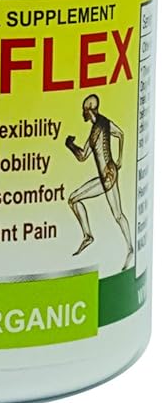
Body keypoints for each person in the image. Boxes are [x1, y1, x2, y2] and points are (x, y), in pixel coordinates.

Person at [66, 94, 134, 272]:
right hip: (106, 176)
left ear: (89, 110)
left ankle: (130, 249)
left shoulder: (103, 123)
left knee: (117, 214)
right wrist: (71, 145)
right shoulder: (94, 131)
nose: (82, 113)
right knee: (74, 200)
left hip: (108, 176)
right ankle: (89, 236)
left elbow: (120, 134)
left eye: (84, 110)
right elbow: (82, 156)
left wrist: (119, 160)